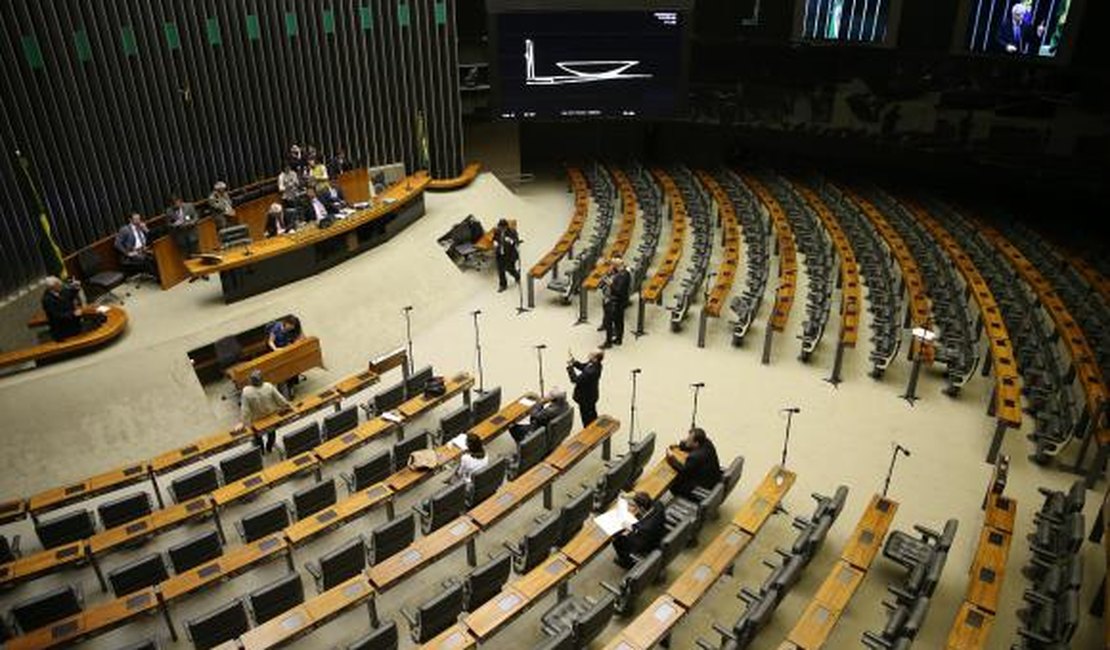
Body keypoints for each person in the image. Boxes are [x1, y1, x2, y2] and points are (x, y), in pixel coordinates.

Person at [236, 370, 291, 453]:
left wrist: (242, 423)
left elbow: (245, 410)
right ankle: (269, 448)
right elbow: (280, 400)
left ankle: (261, 450)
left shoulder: (246, 392)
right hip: (271, 417)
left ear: (251, 381)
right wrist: (287, 406)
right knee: (271, 434)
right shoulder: (268, 386)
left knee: (257, 437)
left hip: (256, 421)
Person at [612, 492, 666, 569]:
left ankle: (627, 562)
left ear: (642, 508)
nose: (634, 508)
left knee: (618, 540)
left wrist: (629, 528)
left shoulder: (645, 527)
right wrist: (626, 495)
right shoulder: (659, 505)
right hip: (659, 532)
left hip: (649, 543)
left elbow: (638, 530)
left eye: (635, 506)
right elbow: (643, 496)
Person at [666, 427, 722, 500]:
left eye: (689, 440)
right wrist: (680, 446)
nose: (686, 440)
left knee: (674, 483)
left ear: (696, 443)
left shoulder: (695, 457)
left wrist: (671, 459)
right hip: (713, 478)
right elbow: (691, 446)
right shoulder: (707, 443)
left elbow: (683, 471)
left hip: (704, 486)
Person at [114, 213, 157, 280]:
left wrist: (146, 229)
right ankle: (158, 278)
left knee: (157, 255)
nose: (138, 221)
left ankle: (161, 276)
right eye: (136, 219)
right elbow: (117, 244)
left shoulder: (141, 227)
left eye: (139, 219)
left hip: (143, 250)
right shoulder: (125, 230)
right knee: (147, 260)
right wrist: (127, 253)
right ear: (130, 220)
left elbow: (150, 238)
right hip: (133, 253)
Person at [566, 349, 603, 427]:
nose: (589, 353)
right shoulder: (596, 364)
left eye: (591, 354)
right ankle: (595, 425)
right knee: (592, 412)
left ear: (595, 358)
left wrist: (570, 367)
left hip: (585, 398)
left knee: (586, 416)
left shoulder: (590, 372)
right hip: (592, 395)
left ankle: (589, 431)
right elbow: (583, 367)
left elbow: (575, 380)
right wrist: (574, 362)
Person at [41, 276, 84, 342]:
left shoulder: (61, 291)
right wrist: (73, 314)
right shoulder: (47, 300)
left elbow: (70, 294)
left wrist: (76, 287)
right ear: (52, 287)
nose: (61, 284)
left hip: (74, 325)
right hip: (62, 331)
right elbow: (56, 316)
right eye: (58, 284)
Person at [601, 257, 631, 348]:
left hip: (615, 301)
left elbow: (618, 290)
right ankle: (618, 339)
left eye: (614, 265)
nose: (612, 266)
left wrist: (610, 284)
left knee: (610, 322)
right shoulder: (620, 272)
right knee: (618, 321)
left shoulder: (624, 275)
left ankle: (608, 342)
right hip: (617, 301)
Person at [492, 219, 520, 292]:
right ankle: (503, 285)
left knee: (509, 268)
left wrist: (511, 241)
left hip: (509, 255)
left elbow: (516, 241)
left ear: (506, 227)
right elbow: (494, 238)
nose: (500, 229)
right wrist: (495, 242)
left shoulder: (512, 232)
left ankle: (517, 276)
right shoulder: (497, 231)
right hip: (500, 254)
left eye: (502, 227)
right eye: (499, 227)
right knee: (500, 270)